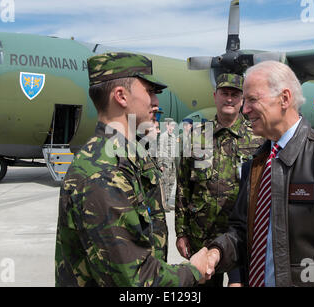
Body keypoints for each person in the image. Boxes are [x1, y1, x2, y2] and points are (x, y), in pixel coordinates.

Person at [206, 61, 314, 287]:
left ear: (285, 99)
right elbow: (243, 231)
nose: (244, 109)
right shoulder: (257, 163)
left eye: (252, 100)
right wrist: (217, 252)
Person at [54, 52, 208, 287]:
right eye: (150, 92)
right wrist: (194, 270)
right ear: (121, 96)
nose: (156, 103)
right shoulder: (105, 173)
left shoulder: (126, 155)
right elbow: (136, 281)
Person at [175, 73, 262, 287]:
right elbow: (183, 187)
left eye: (235, 94)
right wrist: (181, 232)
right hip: (201, 238)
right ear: (215, 96)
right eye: (225, 93)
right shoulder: (196, 137)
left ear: (242, 99)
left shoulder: (258, 138)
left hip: (241, 239)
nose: (229, 99)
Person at [158, 118, 178, 211]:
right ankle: (164, 204)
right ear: (167, 125)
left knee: (171, 182)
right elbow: (160, 150)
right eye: (171, 126)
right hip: (165, 162)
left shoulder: (174, 136)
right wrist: (160, 164)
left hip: (172, 163)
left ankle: (168, 202)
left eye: (174, 126)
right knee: (165, 183)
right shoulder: (163, 136)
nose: (173, 128)